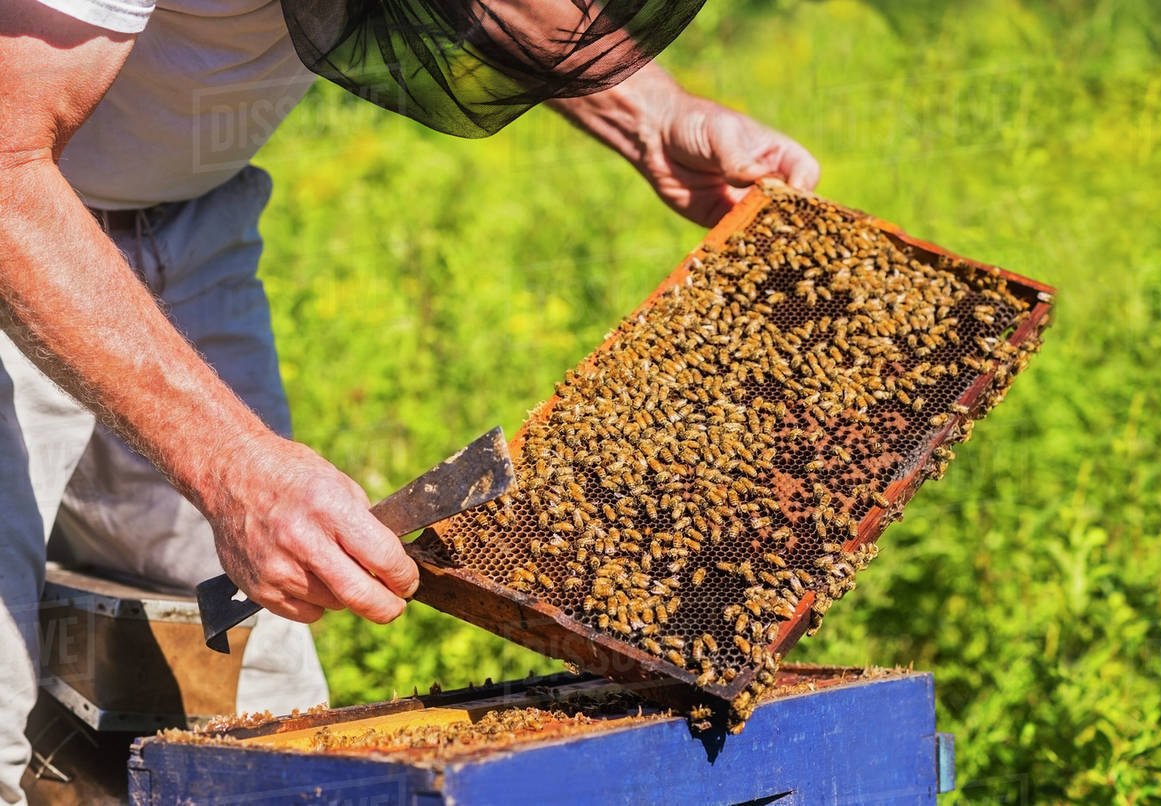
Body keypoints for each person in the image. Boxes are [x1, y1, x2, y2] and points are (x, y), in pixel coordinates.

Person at [0, 0, 819, 801]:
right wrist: (234, 468)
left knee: (242, 705)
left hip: (188, 213)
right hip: (17, 207)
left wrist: (654, 114)